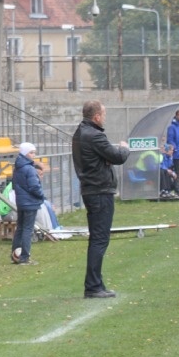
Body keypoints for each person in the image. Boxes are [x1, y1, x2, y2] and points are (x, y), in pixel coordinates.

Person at [71, 100, 130, 299]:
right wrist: (124, 148)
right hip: (99, 191)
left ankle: (96, 283)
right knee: (99, 239)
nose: (104, 118)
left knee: (97, 238)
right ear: (96, 116)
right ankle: (93, 286)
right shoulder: (95, 136)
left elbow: (102, 157)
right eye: (103, 114)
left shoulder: (81, 133)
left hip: (91, 189)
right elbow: (118, 157)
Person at [11, 142, 45, 265]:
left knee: (20, 228)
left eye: (34, 152)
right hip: (30, 202)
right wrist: (42, 196)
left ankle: (15, 254)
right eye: (31, 152)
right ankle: (24, 257)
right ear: (25, 153)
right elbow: (34, 187)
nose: (33, 155)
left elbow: (15, 185)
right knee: (27, 229)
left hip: (21, 201)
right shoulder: (29, 168)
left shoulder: (17, 167)